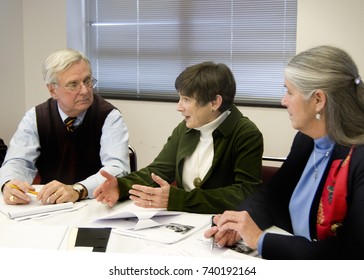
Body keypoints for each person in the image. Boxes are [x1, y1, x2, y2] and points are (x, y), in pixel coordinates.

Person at [204, 45, 364, 259]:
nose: (283, 101)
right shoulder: (306, 140)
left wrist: (260, 240)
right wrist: (240, 222)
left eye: (289, 92)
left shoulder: (359, 159)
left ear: (318, 100)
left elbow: (351, 253)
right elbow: (274, 195)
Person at [94, 61, 263, 214]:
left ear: (214, 103)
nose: (179, 107)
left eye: (186, 99)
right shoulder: (185, 128)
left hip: (220, 226)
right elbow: (158, 171)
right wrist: (121, 186)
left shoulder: (246, 133)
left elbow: (245, 193)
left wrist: (179, 199)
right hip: (182, 221)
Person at [0, 48, 130, 205]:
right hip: (50, 204)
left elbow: (117, 169)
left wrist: (78, 189)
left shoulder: (108, 116)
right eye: (73, 84)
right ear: (52, 90)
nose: (85, 90)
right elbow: (18, 161)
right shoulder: (35, 118)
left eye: (87, 81)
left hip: (95, 202)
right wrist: (9, 184)